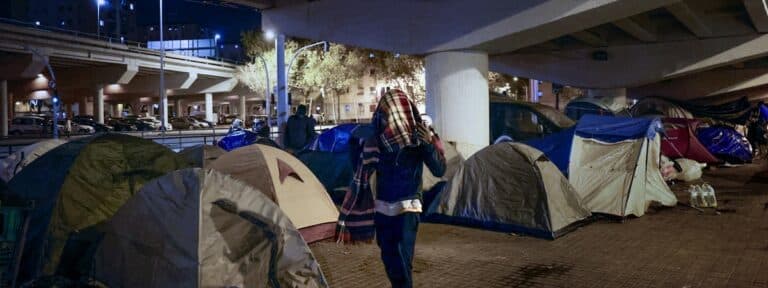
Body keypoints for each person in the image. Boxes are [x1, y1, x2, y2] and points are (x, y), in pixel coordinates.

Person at [338, 89, 445, 288]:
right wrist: (355, 142)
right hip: (382, 208)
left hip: (408, 207)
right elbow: (358, 167)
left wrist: (428, 144)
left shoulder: (418, 135)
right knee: (390, 260)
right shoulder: (377, 137)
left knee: (401, 261)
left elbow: (439, 169)